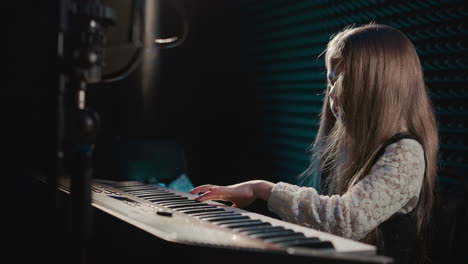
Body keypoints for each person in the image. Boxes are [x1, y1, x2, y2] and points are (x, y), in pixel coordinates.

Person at [190, 23, 438, 264]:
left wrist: (261, 189)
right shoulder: (365, 147)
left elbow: (345, 221)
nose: (331, 93)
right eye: (330, 81)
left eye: (340, 80)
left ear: (375, 86)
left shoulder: (406, 153)